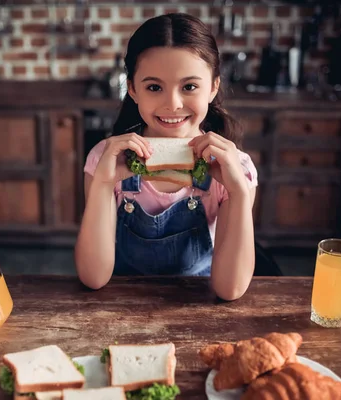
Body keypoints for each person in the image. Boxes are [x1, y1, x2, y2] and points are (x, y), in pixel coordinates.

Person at [75, 13, 258, 300]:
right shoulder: (106, 159)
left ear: (213, 87)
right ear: (133, 89)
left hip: (197, 308)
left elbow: (230, 289)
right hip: (120, 307)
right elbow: (93, 277)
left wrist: (239, 193)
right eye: (154, 87)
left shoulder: (237, 169)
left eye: (189, 87)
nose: (172, 104)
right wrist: (101, 185)